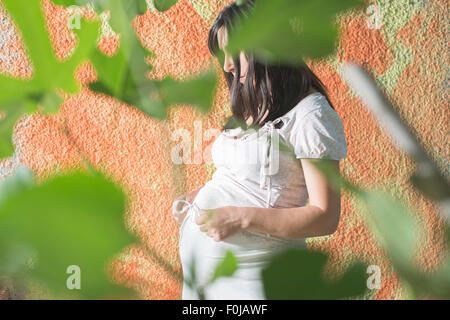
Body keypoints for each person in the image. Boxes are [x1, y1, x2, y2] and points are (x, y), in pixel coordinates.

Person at [172, 0, 347, 299]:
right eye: (222, 55)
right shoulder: (256, 106)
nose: (227, 65)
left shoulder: (310, 114)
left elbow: (325, 216)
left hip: (257, 284)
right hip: (208, 286)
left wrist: (240, 217)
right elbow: (243, 179)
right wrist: (198, 196)